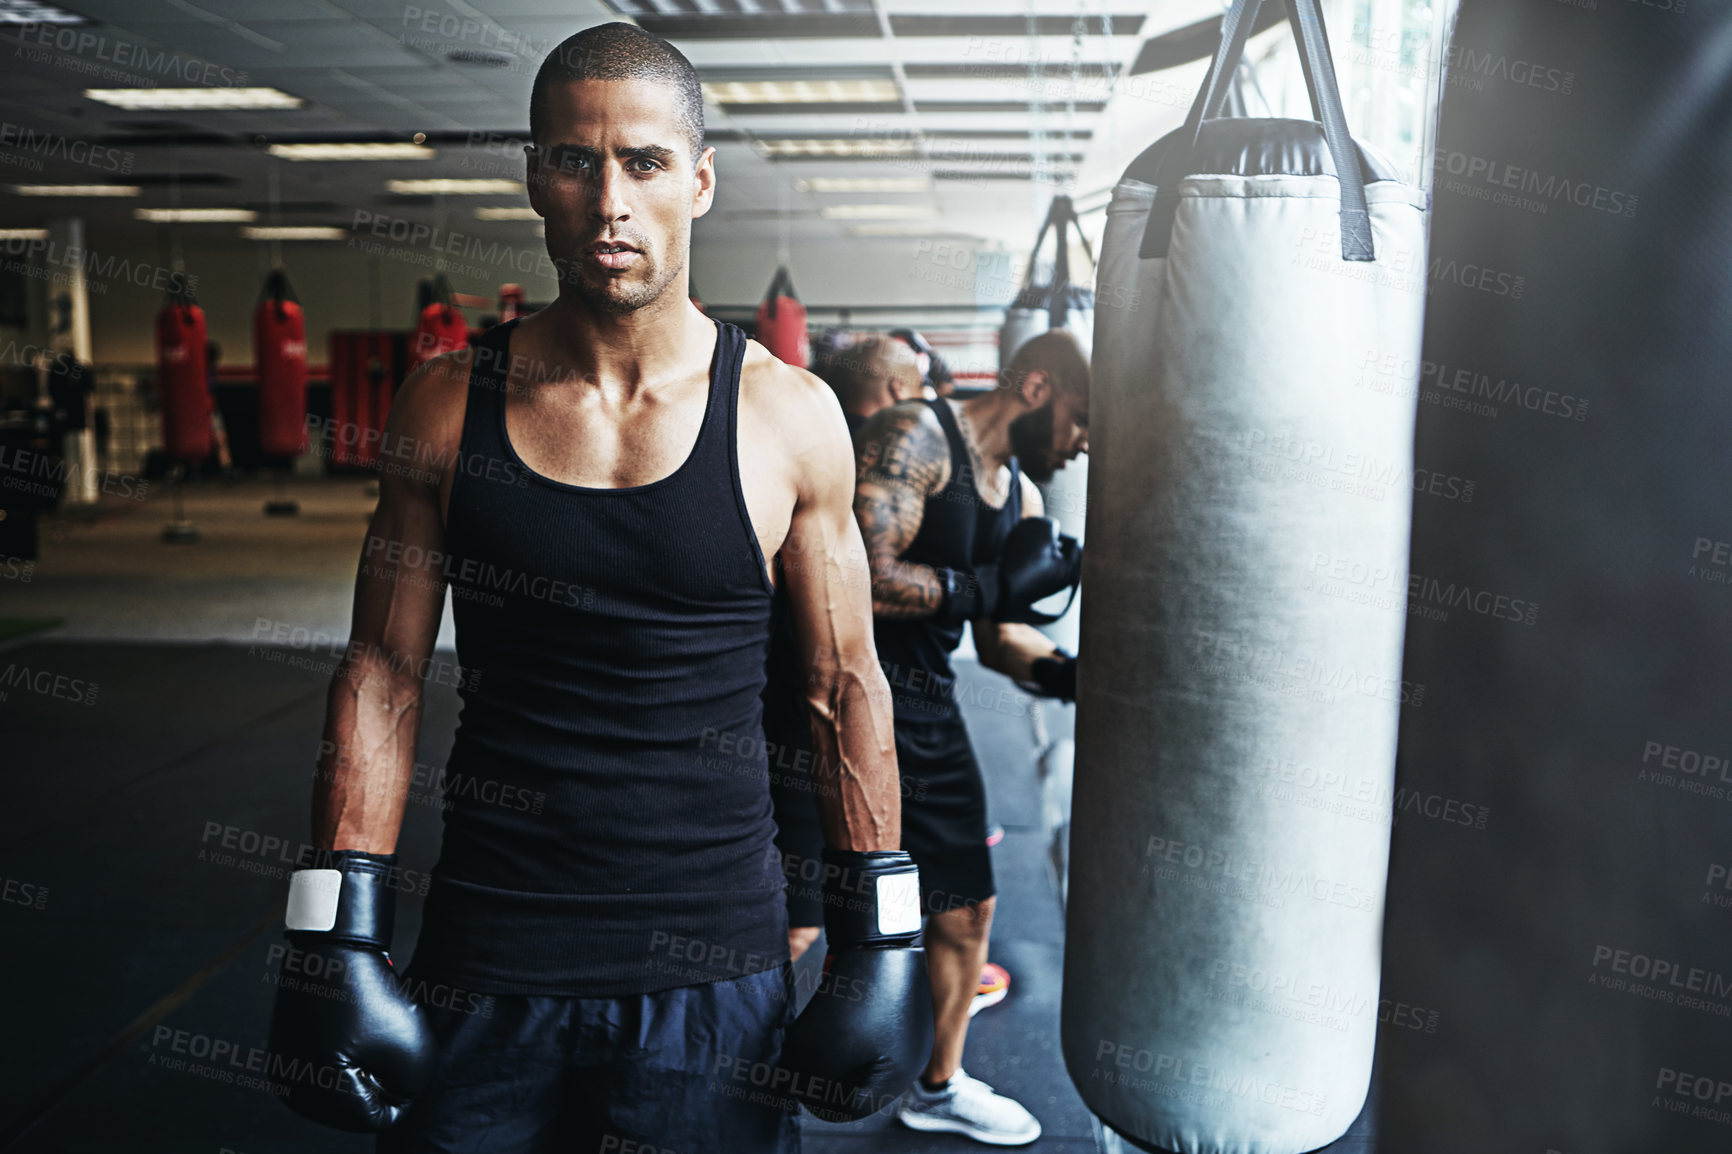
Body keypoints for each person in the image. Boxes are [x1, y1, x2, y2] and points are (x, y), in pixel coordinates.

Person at [264, 23, 930, 1152]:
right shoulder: (445, 404)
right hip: (486, 947)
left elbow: (842, 685)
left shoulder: (786, 416)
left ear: (700, 181)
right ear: (535, 176)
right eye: (575, 160)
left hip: (710, 962)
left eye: (645, 162)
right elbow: (381, 674)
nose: (608, 198)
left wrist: (883, 935)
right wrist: (333, 925)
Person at [854, 329, 1088, 1144]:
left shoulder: (1018, 496)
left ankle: (939, 1085)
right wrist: (980, 584)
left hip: (924, 706)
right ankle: (739, 1077)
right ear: (1036, 390)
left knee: (966, 907)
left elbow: (999, 638)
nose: (1082, 440)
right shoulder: (917, 434)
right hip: (834, 695)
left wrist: (1076, 679)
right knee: (798, 912)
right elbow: (857, 574)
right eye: (1079, 418)